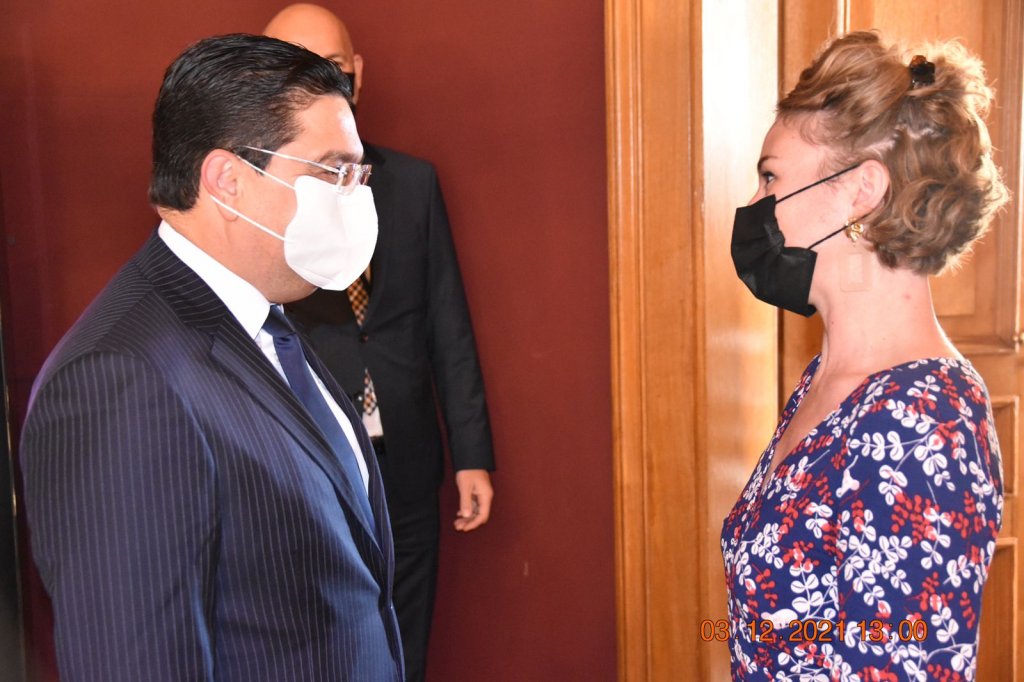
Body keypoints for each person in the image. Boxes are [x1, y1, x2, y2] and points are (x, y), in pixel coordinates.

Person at [19, 34, 404, 681]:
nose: (354, 197)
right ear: (227, 181)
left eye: (358, 174)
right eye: (332, 172)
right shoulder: (120, 377)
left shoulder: (266, 317)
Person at [721, 31, 1006, 679]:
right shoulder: (830, 379)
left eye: (771, 177)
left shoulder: (919, 421)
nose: (756, 204)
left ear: (861, 191)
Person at [264, 6, 496, 680]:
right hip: (307, 462)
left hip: (408, 460)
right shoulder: (259, 198)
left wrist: (472, 456)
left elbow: (448, 324)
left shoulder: (414, 183)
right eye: (295, 69)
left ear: (357, 72)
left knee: (406, 637)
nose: (317, 82)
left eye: (331, 68)